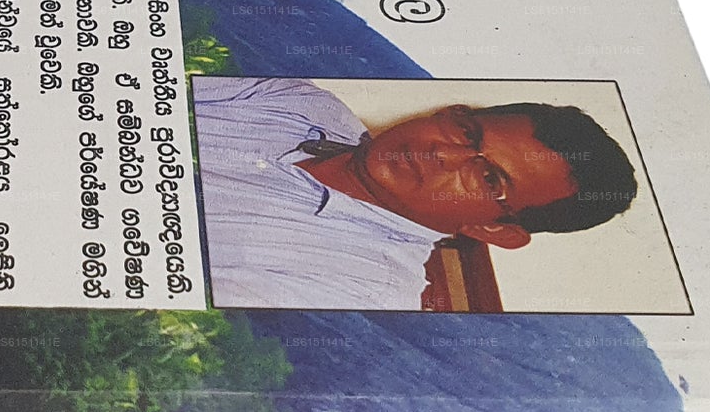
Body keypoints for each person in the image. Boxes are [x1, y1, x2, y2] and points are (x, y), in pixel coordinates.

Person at [192, 78, 639, 310]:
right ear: (450, 112)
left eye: (488, 179)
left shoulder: (361, 293)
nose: (442, 153)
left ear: (493, 230)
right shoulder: (301, 101)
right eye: (466, 133)